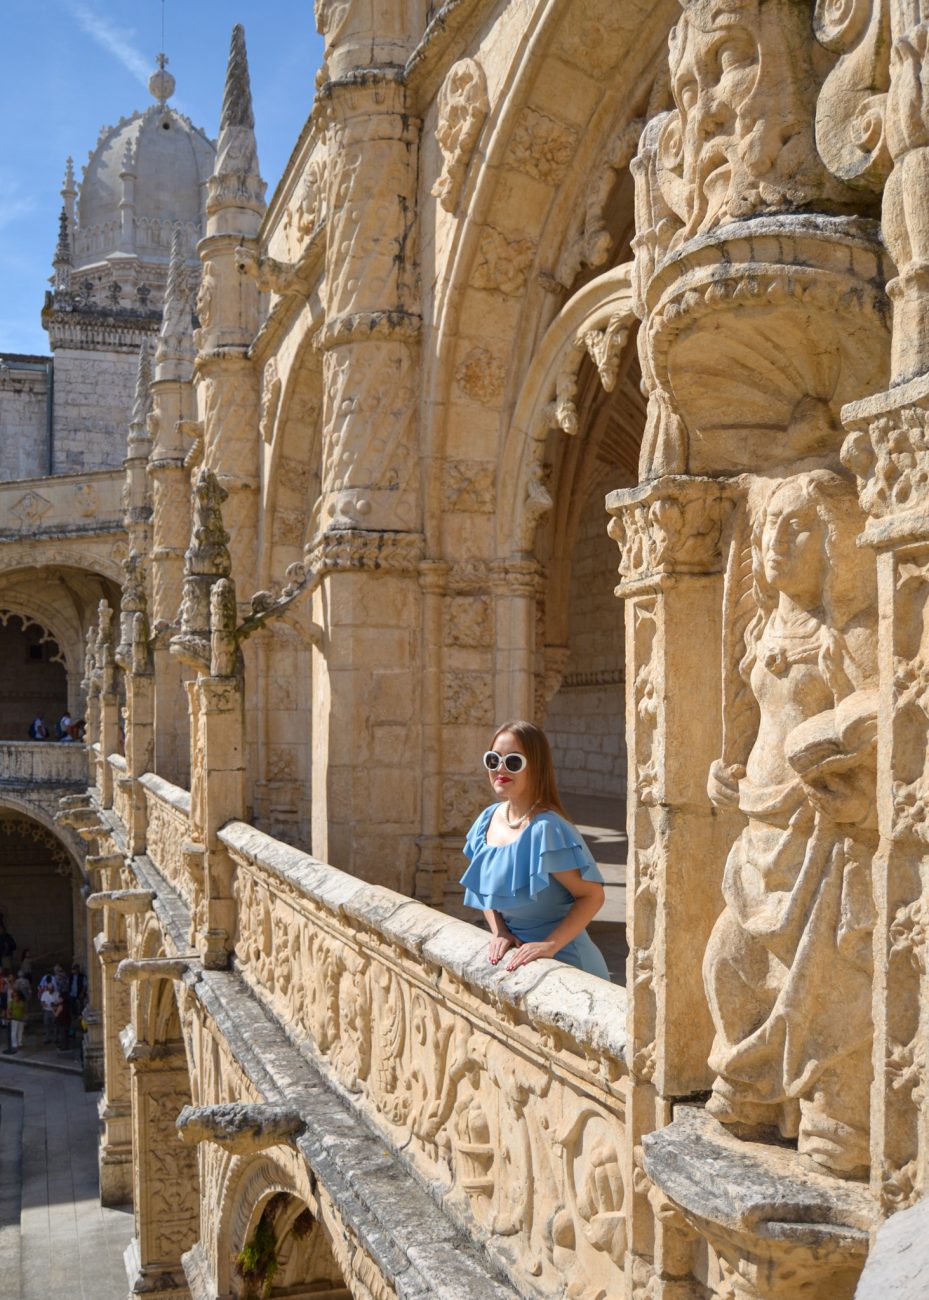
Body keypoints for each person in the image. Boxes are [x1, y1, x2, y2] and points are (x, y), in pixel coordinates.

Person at [460, 719, 609, 979]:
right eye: (493, 760)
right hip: (520, 960)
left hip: (569, 964)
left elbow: (592, 896)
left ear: (536, 768)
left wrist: (549, 945)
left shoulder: (547, 829)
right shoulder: (487, 819)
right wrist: (499, 932)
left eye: (514, 762)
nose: (500, 769)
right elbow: (484, 888)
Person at [39, 973, 60, 1044]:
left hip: (54, 1011)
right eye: (49, 989)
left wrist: (54, 1004)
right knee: (47, 1025)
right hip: (47, 1011)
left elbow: (59, 1002)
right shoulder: (45, 993)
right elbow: (42, 1001)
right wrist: (44, 1005)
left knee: (55, 1025)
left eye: (51, 989)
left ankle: (55, 1038)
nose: (50, 991)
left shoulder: (57, 994)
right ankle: (47, 1038)